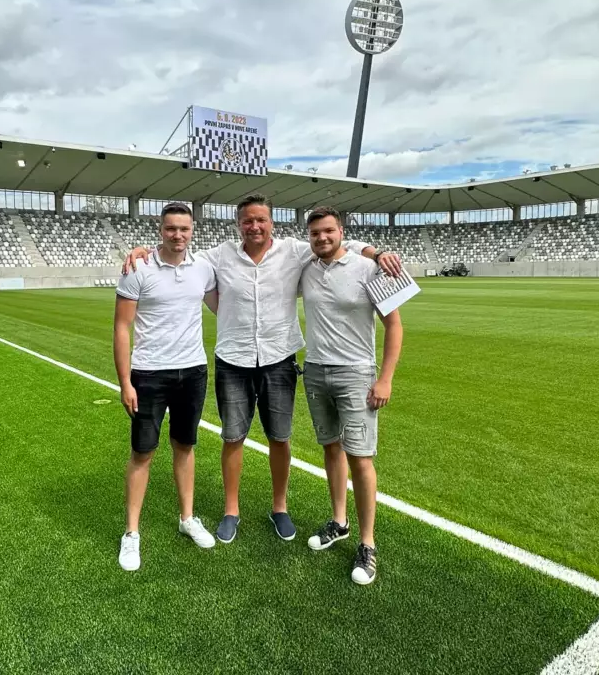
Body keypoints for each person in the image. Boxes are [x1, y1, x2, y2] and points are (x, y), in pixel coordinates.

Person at [123, 194, 401, 545]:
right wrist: (143, 250)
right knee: (233, 437)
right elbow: (178, 249)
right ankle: (231, 510)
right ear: (238, 224)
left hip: (279, 359)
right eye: (247, 221)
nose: (254, 226)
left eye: (261, 220)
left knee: (279, 438)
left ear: (272, 223)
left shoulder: (295, 251)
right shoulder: (218, 256)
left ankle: (279, 507)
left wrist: (375, 252)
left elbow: (335, 242)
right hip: (233, 360)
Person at [299, 207, 404, 586]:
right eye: (315, 233)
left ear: (341, 231)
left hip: (357, 374)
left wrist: (385, 379)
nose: (322, 238)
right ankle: (339, 522)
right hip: (315, 370)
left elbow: (394, 325)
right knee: (330, 447)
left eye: (329, 231)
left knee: (360, 457)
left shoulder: (370, 269)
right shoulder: (307, 267)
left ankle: (367, 543)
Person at [113, 202, 218, 572]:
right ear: (161, 230)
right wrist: (125, 382)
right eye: (171, 228)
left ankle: (187, 518)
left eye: (184, 229)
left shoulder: (203, 268)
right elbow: (121, 328)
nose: (178, 235)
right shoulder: (138, 267)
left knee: (185, 446)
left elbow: (225, 307)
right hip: (149, 375)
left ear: (192, 230)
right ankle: (131, 533)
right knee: (143, 453)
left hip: (193, 371)